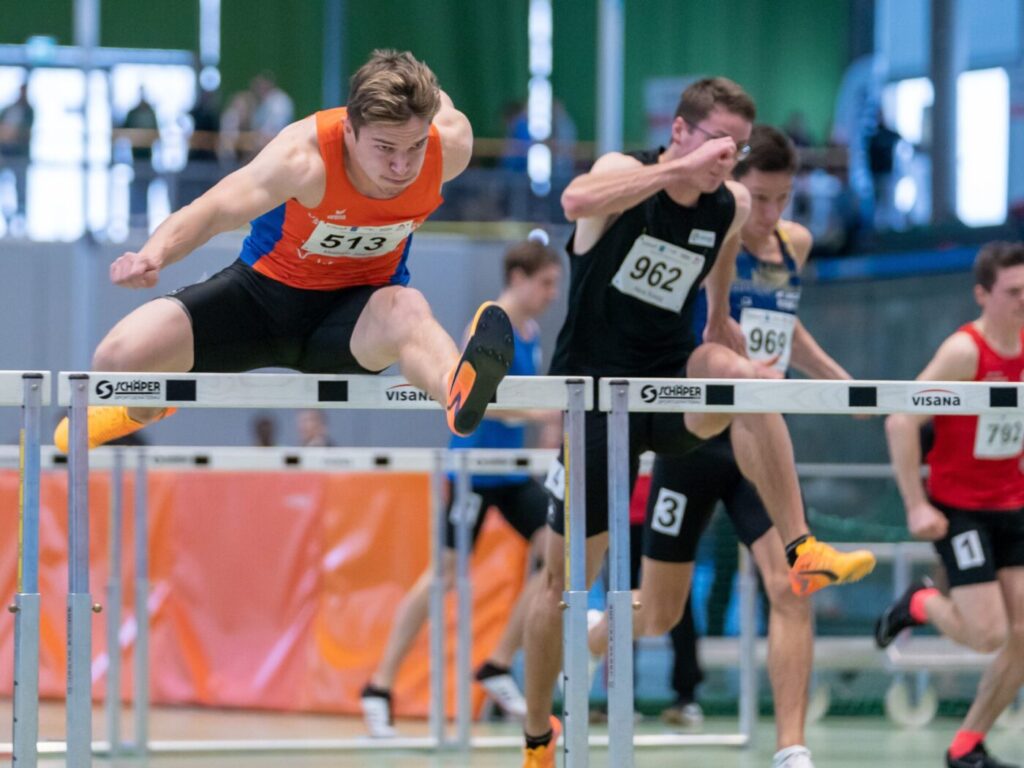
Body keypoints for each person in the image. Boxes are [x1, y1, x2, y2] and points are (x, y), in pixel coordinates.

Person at [520, 78, 876, 767]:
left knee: (743, 376)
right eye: (715, 142)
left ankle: (801, 544)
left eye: (734, 147)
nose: (725, 158)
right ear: (679, 131)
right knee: (564, 586)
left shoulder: (730, 201)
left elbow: (722, 242)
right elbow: (573, 202)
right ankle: (538, 733)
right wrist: (676, 171)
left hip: (670, 378)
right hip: (595, 394)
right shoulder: (630, 173)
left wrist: (716, 315)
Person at [53, 49, 513, 453]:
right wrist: (153, 254)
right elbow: (215, 209)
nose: (401, 166)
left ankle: (456, 388)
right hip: (261, 301)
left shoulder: (448, 147)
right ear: (350, 130)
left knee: (408, 307)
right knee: (115, 361)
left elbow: (438, 111)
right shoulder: (303, 157)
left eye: (414, 147)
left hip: (356, 319)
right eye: (385, 148)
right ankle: (143, 409)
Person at [360, 237, 563, 737]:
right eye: (545, 283)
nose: (551, 294)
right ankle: (379, 687)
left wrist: (545, 427)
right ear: (518, 277)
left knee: (560, 555)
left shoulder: (532, 331)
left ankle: (496, 664)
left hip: (512, 472)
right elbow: (472, 397)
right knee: (444, 575)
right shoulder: (487, 322)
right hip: (472, 470)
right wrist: (538, 411)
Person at [877, 241, 1024, 768]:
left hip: (1012, 503)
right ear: (982, 295)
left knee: (1023, 635)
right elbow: (900, 419)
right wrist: (916, 505)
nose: (1022, 301)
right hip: (959, 508)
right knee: (988, 635)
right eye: (1013, 292)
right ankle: (919, 603)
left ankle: (966, 747)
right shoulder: (965, 353)